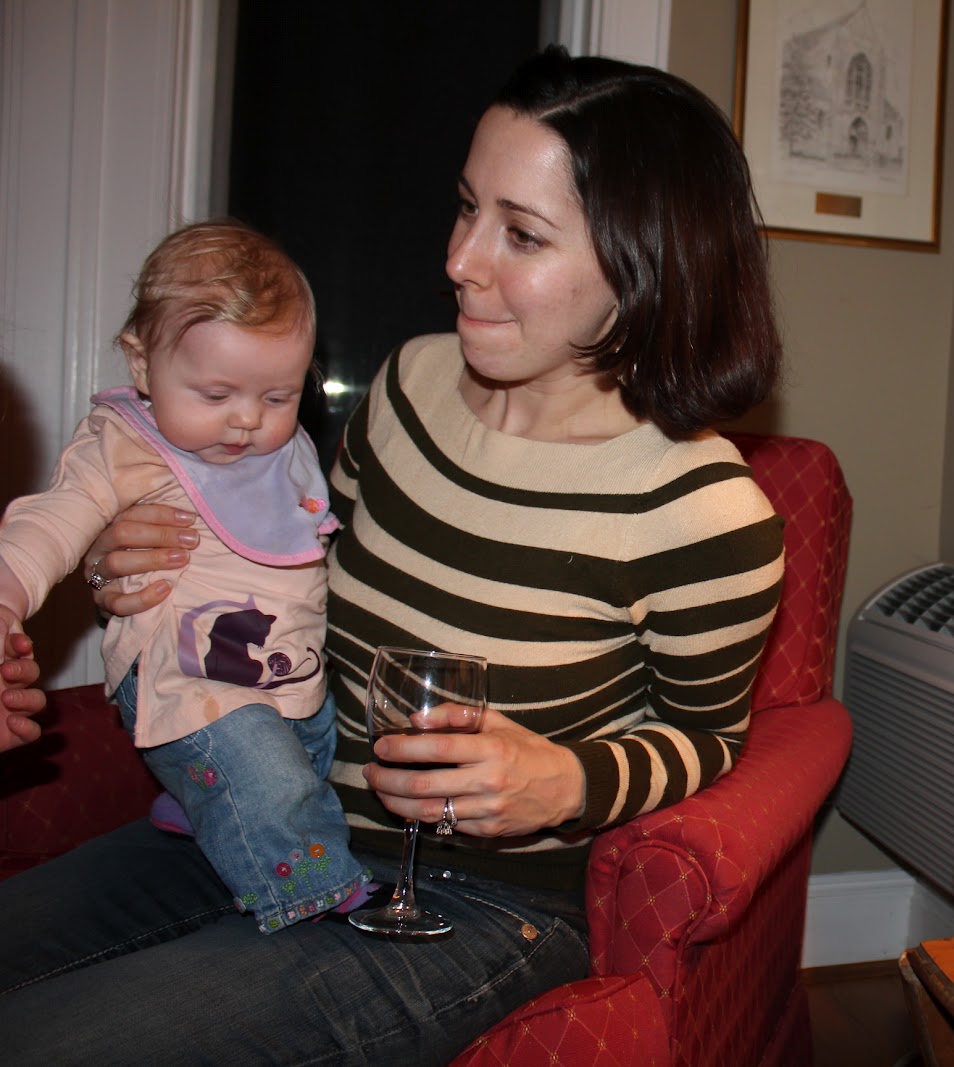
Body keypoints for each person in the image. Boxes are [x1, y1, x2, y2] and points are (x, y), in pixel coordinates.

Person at [0, 46, 784, 1066]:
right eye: (466, 207)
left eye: (520, 233)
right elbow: (292, 577)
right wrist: (138, 560)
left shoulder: (705, 511)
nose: (460, 259)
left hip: (482, 902)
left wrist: (567, 780)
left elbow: (708, 736)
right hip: (275, 818)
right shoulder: (409, 384)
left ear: (644, 266)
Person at [0, 220, 368, 933]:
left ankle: (201, 803)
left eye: (278, 397)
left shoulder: (283, 449)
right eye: (216, 393)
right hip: (185, 675)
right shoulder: (123, 445)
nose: (246, 420)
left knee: (304, 753)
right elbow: (48, 524)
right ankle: (317, 896)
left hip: (286, 672)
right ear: (143, 365)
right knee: (267, 775)